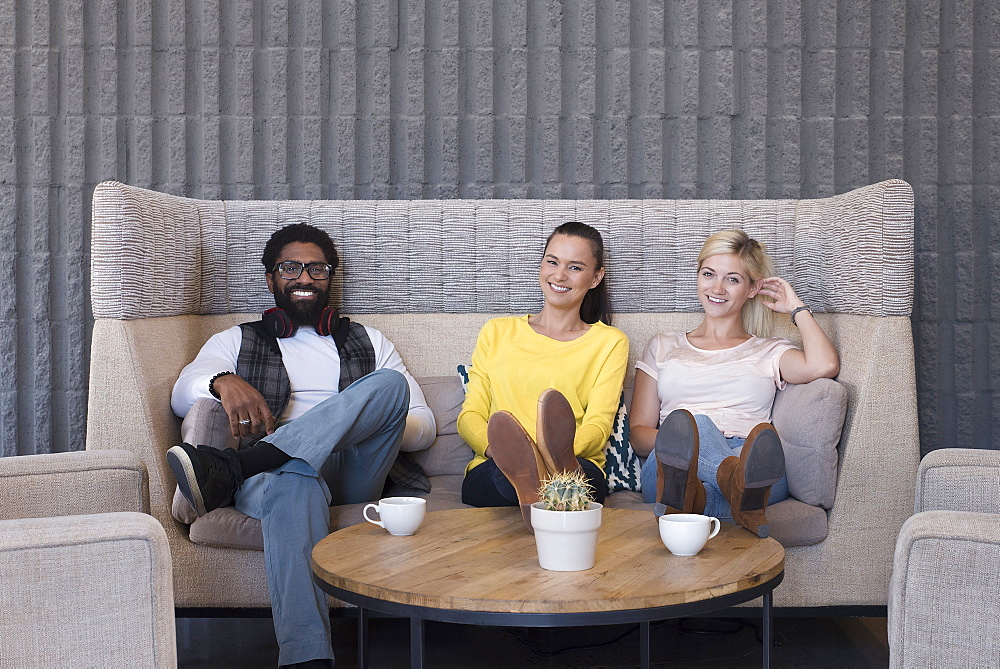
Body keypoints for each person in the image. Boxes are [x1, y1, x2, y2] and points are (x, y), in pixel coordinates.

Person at [167, 223, 436, 669]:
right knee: (295, 478)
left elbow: (423, 426)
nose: (305, 278)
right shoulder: (235, 341)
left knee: (389, 385)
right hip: (276, 479)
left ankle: (233, 468)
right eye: (290, 268)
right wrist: (223, 381)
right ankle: (306, 659)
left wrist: (346, 423)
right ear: (270, 277)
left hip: (351, 469)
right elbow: (181, 395)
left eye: (317, 269)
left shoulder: (371, 340)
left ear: (332, 277)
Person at [629, 229, 839, 538]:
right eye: (708, 274)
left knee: (719, 479)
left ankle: (705, 496)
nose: (717, 287)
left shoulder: (768, 350)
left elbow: (825, 364)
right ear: (697, 277)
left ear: (753, 289)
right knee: (695, 424)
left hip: (751, 461)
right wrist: (688, 443)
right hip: (674, 464)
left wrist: (796, 308)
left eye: (732, 279)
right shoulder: (662, 346)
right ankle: (733, 484)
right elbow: (638, 434)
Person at [457, 222, 629, 530]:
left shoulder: (610, 342)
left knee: (581, 480)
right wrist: (507, 452)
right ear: (542, 265)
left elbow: (598, 426)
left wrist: (548, 453)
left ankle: (538, 485)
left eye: (575, 267)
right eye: (552, 262)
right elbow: (471, 415)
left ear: (596, 277)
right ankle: (540, 487)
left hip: (573, 463)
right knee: (502, 476)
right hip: (498, 465)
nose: (559, 275)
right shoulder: (497, 332)